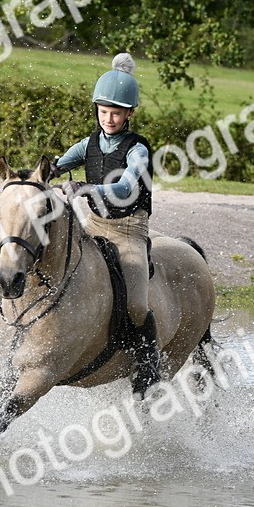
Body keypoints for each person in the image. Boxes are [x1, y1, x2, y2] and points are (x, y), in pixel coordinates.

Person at [51, 52, 159, 398]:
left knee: (137, 304)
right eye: (103, 111)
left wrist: (87, 188)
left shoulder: (137, 150)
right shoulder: (89, 143)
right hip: (94, 225)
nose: (109, 119)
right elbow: (57, 165)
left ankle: (147, 364)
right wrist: (37, 177)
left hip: (129, 231)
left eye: (116, 112)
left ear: (130, 113)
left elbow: (126, 188)